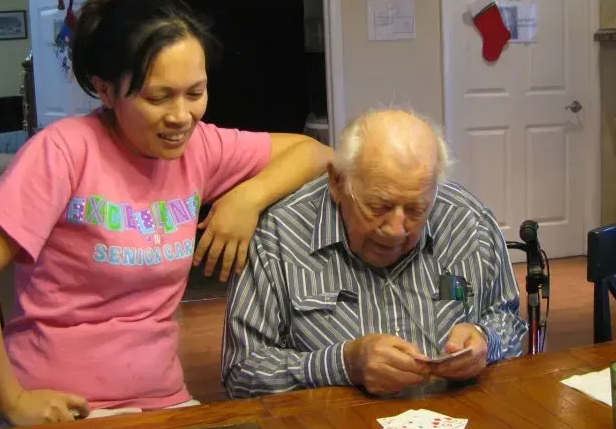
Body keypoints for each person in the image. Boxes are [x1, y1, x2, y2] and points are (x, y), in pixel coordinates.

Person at [0, 0, 332, 426]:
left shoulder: (200, 148)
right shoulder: (64, 151)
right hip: (64, 412)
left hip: (163, 401)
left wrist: (247, 199)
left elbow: (316, 153)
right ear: (106, 92)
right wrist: (11, 400)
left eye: (195, 93)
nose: (181, 116)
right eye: (158, 97)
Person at [222, 109, 526, 398]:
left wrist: (486, 339)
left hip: (456, 426)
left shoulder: (468, 221)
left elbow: (508, 320)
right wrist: (344, 365)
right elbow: (242, 373)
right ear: (337, 182)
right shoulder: (279, 236)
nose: (396, 229)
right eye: (378, 206)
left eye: (416, 210)